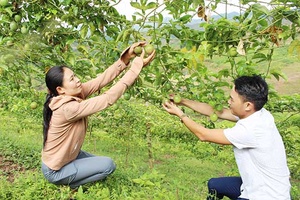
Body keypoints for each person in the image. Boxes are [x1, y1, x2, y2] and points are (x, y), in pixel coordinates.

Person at [42, 41, 155, 189]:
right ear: (60, 89)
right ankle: (72, 185)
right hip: (55, 170)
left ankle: (72, 176)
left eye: (75, 76)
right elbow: (107, 98)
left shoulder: (69, 95)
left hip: (68, 157)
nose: (78, 80)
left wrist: (126, 58)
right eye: (72, 79)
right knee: (108, 165)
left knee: (99, 164)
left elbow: (100, 81)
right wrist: (135, 69)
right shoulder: (68, 108)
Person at [162, 75, 291, 200]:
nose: (228, 102)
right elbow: (220, 112)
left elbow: (203, 134)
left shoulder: (250, 130)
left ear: (247, 106)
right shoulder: (260, 113)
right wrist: (183, 101)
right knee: (215, 185)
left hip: (266, 196)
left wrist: (180, 114)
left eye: (232, 99)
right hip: (256, 186)